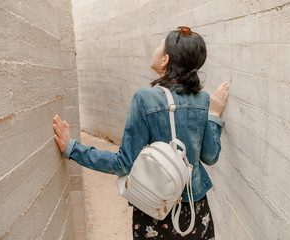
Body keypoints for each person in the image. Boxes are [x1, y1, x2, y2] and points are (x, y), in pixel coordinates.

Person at [53, 26, 229, 239]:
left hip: (156, 210)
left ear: (165, 60)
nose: (155, 49)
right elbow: (210, 156)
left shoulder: (145, 99)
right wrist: (213, 116)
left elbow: (123, 164)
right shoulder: (203, 101)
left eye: (159, 45)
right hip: (196, 210)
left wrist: (73, 149)